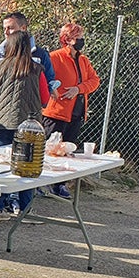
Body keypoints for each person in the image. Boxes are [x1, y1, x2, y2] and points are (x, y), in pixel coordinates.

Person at [0, 31, 50, 220]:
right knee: (27, 166)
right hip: (29, 126)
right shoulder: (37, 68)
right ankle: (25, 209)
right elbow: (45, 98)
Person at [41, 22, 100, 198]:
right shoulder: (54, 57)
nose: (81, 40)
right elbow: (43, 78)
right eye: (78, 37)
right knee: (50, 149)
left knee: (68, 150)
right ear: (67, 39)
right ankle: (41, 182)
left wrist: (78, 88)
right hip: (56, 112)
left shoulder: (83, 60)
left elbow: (94, 80)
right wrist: (51, 90)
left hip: (76, 112)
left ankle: (60, 185)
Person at [0, 12, 60, 98]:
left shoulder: (39, 54)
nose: (6, 32)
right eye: (4, 29)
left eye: (10, 28)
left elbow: (49, 80)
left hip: (30, 104)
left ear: (23, 28)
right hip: (3, 104)